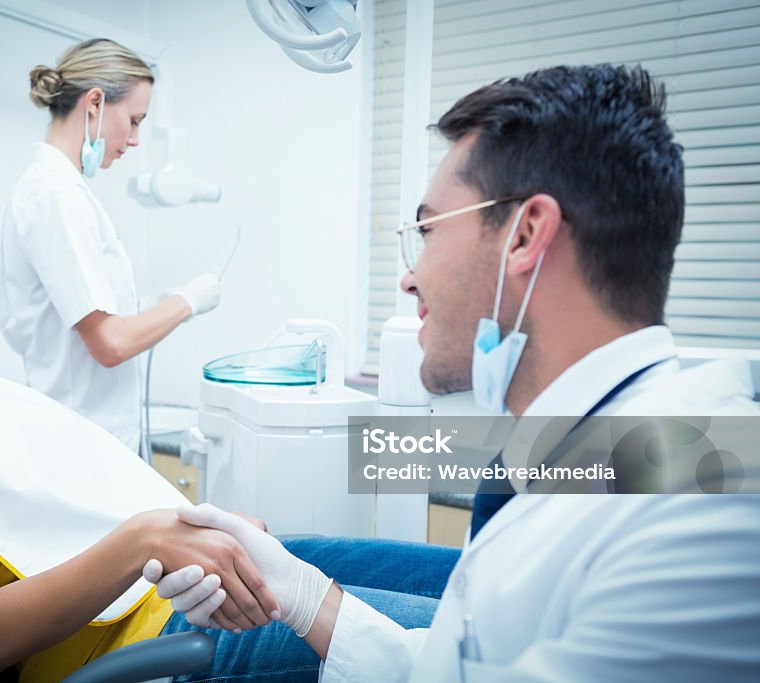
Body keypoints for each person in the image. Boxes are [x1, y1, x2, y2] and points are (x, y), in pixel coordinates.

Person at [148, 64, 760, 681]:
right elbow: (457, 667)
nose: (408, 276)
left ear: (525, 235)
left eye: (428, 230)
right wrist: (301, 594)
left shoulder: (710, 498)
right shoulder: (592, 443)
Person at [0, 189, 462, 682]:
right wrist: (144, 537)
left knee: (466, 583)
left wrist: (196, 524)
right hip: (150, 640)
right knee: (462, 645)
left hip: (186, 576)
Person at [0, 38, 221, 453]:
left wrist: (155, 305)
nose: (135, 139)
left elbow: (87, 317)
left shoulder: (60, 191)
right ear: (95, 102)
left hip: (88, 432)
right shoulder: (56, 196)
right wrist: (187, 301)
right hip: (81, 439)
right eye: (134, 120)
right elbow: (110, 343)